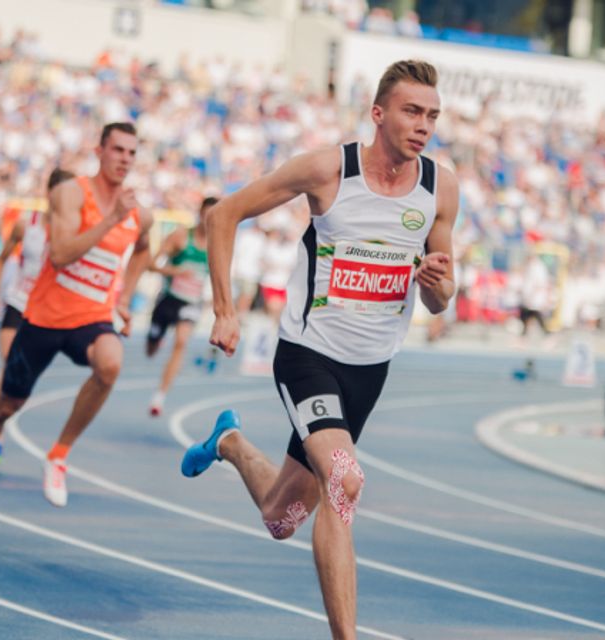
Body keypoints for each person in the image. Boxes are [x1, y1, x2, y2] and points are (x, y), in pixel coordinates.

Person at [181, 60, 456, 639]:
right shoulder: (330, 169)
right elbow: (223, 214)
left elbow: (441, 298)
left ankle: (229, 442)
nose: (423, 125)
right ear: (378, 114)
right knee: (346, 480)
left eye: (432, 114)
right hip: (309, 354)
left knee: (282, 518)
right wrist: (226, 309)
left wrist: (437, 285)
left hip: (370, 369)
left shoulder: (439, 187)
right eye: (412, 111)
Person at [0, 123, 154, 536]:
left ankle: (58, 454)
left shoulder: (140, 215)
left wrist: (124, 298)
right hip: (42, 318)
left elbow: (144, 250)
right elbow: (59, 255)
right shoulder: (70, 194)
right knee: (4, 408)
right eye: (118, 150)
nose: (125, 159)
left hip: (91, 317)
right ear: (100, 151)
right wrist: (111, 219)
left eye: (132, 152)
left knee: (111, 363)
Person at [0, 167, 76, 466]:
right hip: (17, 304)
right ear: (50, 194)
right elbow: (0, 261)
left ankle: (0, 419)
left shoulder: (72, 233)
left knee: (21, 382)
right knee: (9, 364)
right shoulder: (27, 226)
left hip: (44, 313)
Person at [145, 196, 215, 416]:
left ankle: (160, 396)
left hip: (192, 302)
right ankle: (158, 335)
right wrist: (175, 272)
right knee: (151, 349)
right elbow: (152, 265)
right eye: (206, 215)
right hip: (169, 299)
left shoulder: (217, 243)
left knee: (182, 342)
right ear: (200, 213)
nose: (209, 221)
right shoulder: (181, 236)